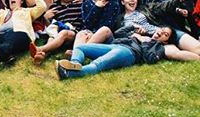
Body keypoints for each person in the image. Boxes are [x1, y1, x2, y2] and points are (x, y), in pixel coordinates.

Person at [55, 27, 198, 79]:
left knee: (97, 65)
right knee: (81, 48)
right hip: (114, 45)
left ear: (166, 41)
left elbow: (175, 54)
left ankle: (69, 73)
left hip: (128, 53)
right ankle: (74, 64)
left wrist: (144, 43)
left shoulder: (160, 47)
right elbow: (117, 33)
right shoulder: (143, 33)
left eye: (165, 34)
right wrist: (132, 29)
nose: (161, 33)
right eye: (162, 30)